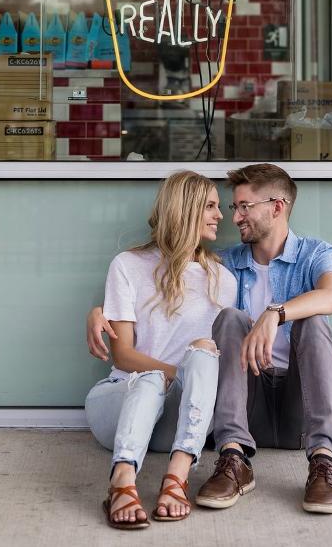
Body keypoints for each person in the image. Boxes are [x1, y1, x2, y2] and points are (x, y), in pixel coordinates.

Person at [88, 162, 332, 515]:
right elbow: (169, 292)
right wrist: (100, 311)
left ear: (277, 206)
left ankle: (324, 461)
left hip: (290, 404)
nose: (232, 216)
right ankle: (228, 457)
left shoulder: (305, 256)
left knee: (314, 320)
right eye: (227, 207)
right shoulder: (225, 266)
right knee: (221, 326)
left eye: (244, 207)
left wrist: (277, 312)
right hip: (230, 401)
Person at [85, 170, 237, 530]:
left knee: (204, 352)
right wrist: (175, 373)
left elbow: (212, 366)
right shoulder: (128, 266)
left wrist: (190, 370)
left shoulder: (223, 280)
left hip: (183, 418)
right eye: (211, 207)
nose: (221, 215)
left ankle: (177, 478)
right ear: (185, 210)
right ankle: (122, 481)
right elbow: (123, 356)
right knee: (151, 379)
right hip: (123, 401)